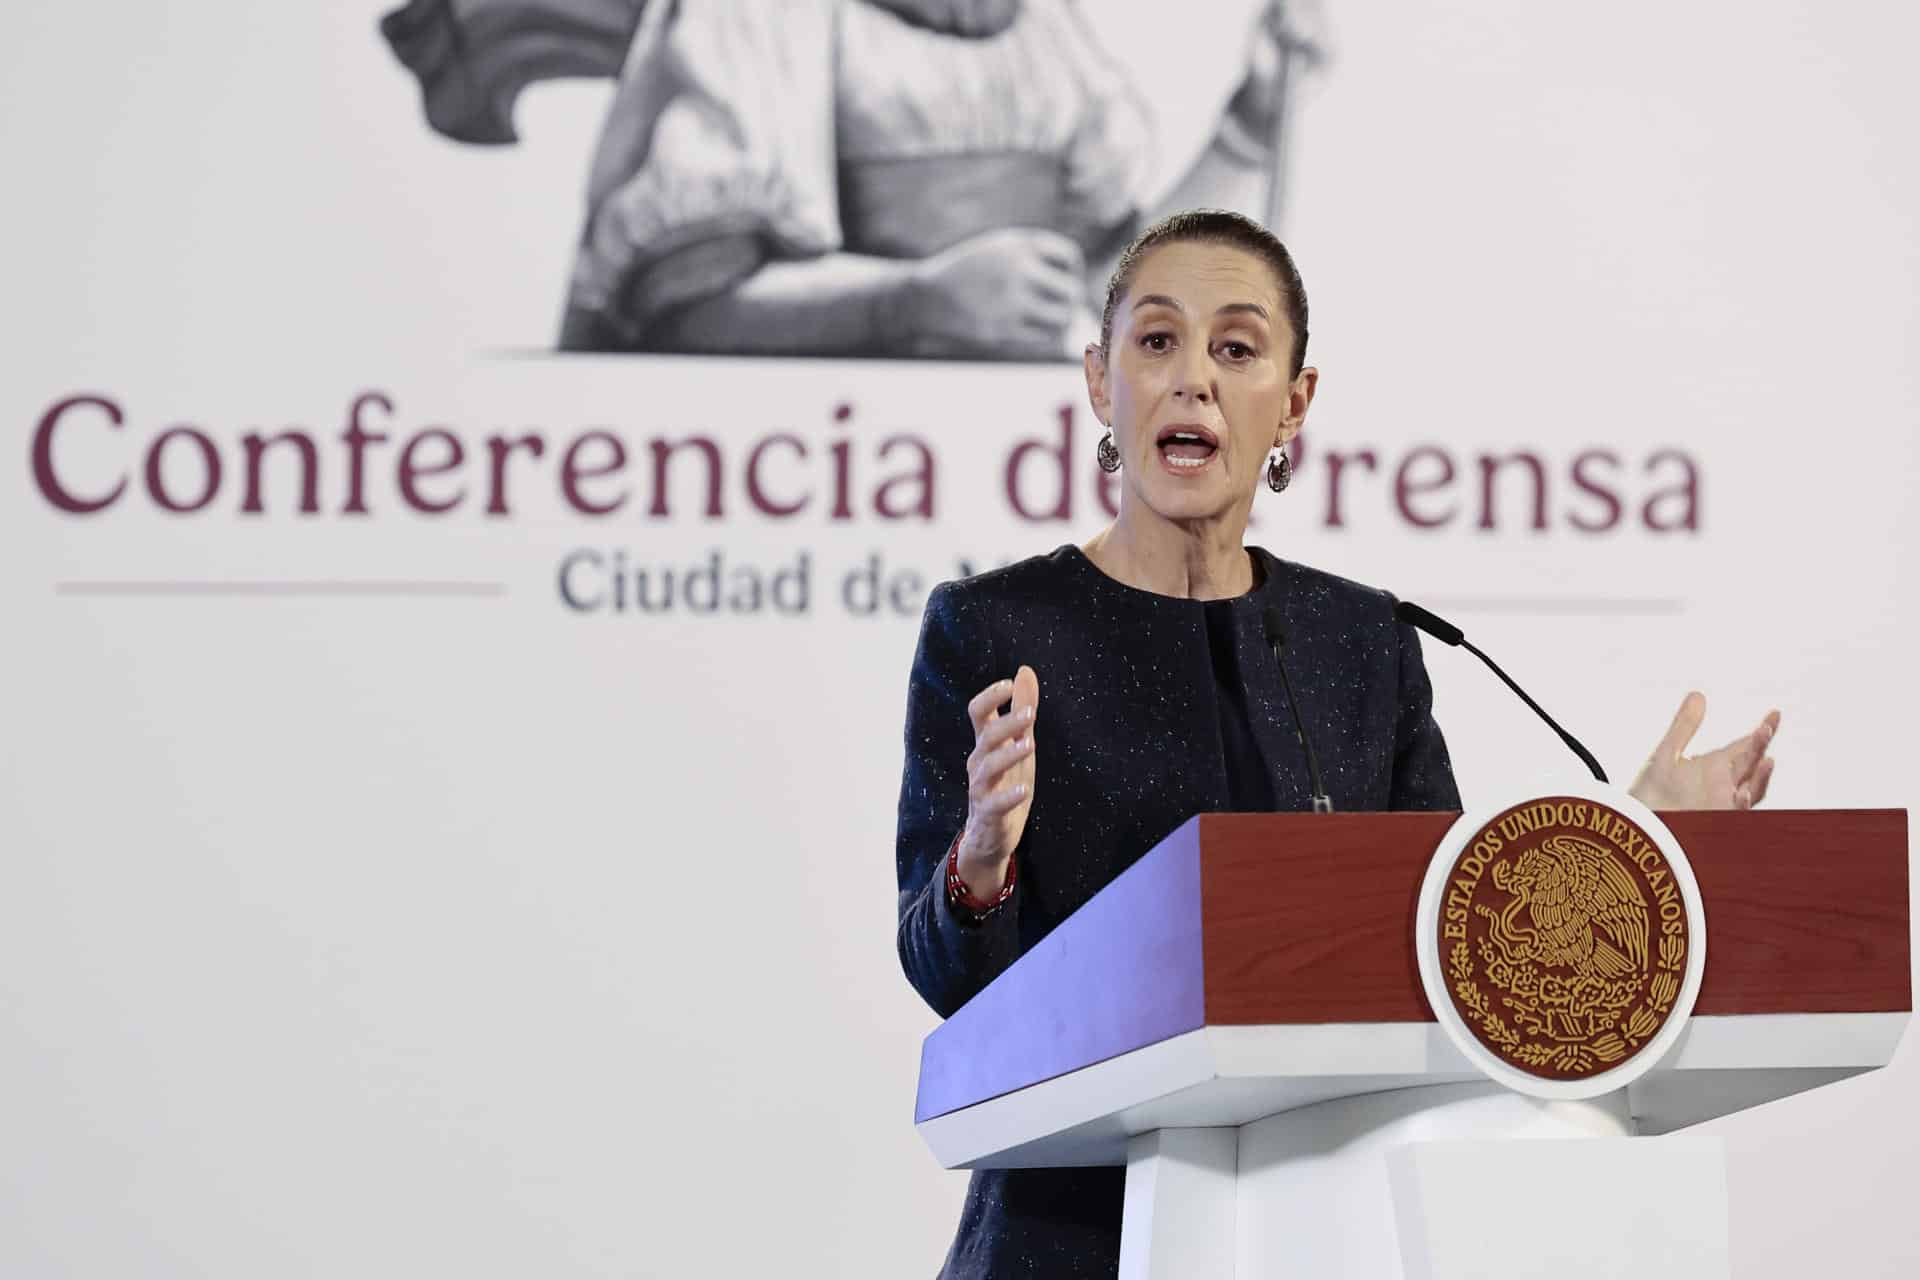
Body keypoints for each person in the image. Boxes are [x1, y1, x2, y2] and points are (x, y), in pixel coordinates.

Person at [892, 209, 1779, 1278]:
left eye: (1236, 348)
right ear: (1098, 379)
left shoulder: (1361, 637)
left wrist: (1626, 838)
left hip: (1329, 1224)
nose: (1192, 381)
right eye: (1156, 340)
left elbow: (1460, 941)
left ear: (1296, 401)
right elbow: (947, 974)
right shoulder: (998, 627)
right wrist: (981, 855)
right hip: (1071, 1229)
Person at [557, 0, 1296, 358]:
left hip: (980, 480)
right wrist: (915, 302)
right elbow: (684, 307)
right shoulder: (763, 17)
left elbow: (1107, 284)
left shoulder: (1040, 33)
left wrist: (1248, 125)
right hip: (812, 483)